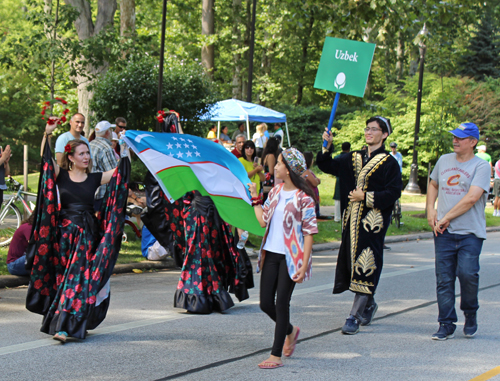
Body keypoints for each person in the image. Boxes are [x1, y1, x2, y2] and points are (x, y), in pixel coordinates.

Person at [26, 117, 129, 343]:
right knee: (65, 280)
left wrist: (124, 148)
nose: (86, 157)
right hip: (64, 236)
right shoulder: (60, 175)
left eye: (87, 153)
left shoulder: (94, 178)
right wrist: (47, 135)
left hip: (86, 236)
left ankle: (64, 327)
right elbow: (45, 159)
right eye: (81, 153)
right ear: (70, 158)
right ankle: (64, 321)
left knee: (79, 279)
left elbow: (120, 174)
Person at [316, 116, 402, 335]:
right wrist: (326, 146)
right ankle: (369, 304)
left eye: (374, 129)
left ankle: (353, 315)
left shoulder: (390, 163)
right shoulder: (353, 157)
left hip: (372, 224)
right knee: (352, 264)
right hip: (350, 221)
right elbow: (327, 165)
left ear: (384, 135)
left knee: (366, 263)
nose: (369, 132)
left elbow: (393, 193)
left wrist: (366, 196)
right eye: (367, 128)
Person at [248, 147, 318, 369]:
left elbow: (308, 234)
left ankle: (275, 354)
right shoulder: (275, 192)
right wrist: (255, 199)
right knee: (265, 303)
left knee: (281, 304)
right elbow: (262, 221)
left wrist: (304, 263)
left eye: (279, 163)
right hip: (270, 254)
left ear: (289, 170)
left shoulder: (304, 199)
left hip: (291, 258)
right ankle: (290, 330)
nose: (275, 166)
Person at [426, 122, 490, 340]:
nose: (455, 140)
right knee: (443, 279)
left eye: (461, 138)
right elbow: (433, 184)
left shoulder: (481, 166)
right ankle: (446, 323)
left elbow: (472, 198)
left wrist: (446, 217)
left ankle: (470, 313)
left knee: (467, 274)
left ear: (473, 142)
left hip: (470, 233)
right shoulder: (444, 160)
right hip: (443, 232)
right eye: (454, 136)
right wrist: (430, 211)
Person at [174, 191, 254, 313]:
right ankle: (197, 297)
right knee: (196, 254)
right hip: (194, 214)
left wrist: (239, 226)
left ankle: (212, 297)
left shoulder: (222, 172)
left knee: (215, 255)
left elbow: (231, 195)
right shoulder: (188, 172)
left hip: (216, 214)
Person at [90, 121, 118, 212]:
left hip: (88, 192)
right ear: (107, 133)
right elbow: (114, 173)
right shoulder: (106, 148)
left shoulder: (89, 144)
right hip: (101, 195)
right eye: (111, 130)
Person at [333, 142, 350, 222]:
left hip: (339, 178)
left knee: (337, 198)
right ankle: (346, 216)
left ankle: (337, 217)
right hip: (348, 179)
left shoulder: (337, 157)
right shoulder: (350, 157)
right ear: (349, 148)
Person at [302, 151, 321, 217]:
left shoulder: (308, 171)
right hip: (310, 195)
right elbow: (314, 183)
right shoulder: (305, 171)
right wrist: (318, 181)